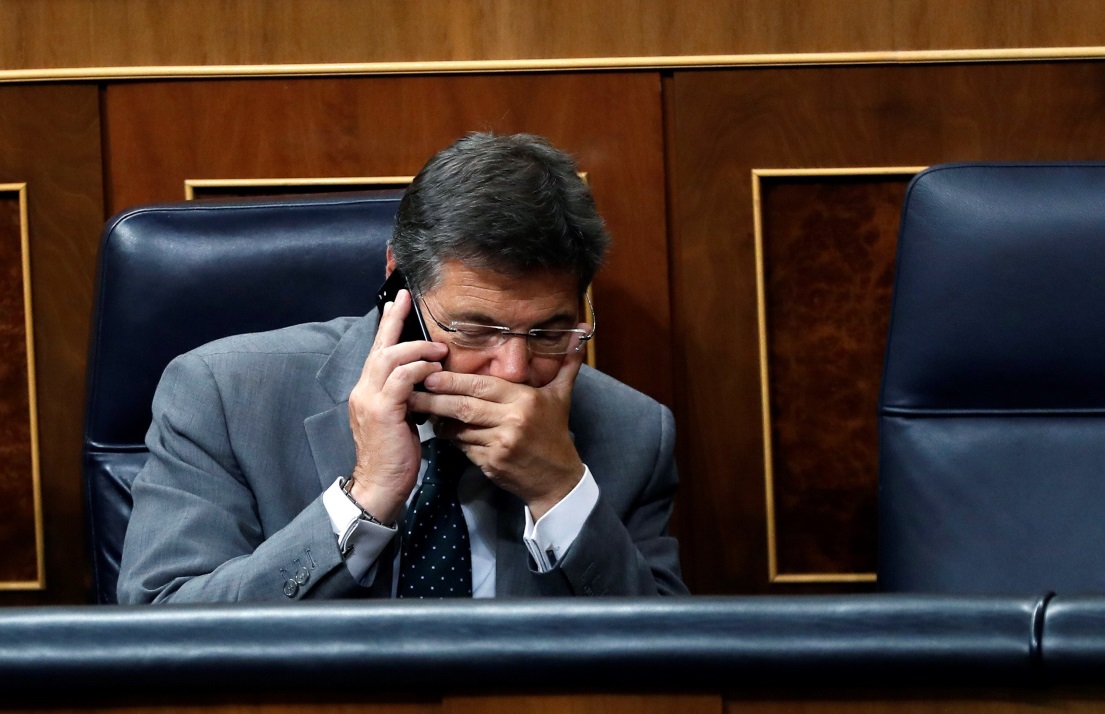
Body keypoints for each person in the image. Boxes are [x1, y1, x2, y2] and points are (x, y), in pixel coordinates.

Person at [117, 132, 687, 603]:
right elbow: (161, 627)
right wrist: (363, 499)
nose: (513, 370)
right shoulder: (224, 395)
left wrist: (561, 493)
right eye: (475, 328)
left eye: (548, 332)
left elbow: (678, 672)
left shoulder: (632, 432)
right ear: (399, 279)